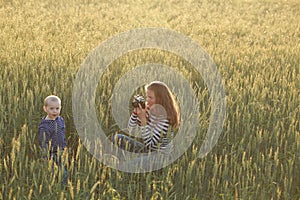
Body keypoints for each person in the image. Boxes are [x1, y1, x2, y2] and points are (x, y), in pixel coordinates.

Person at [112, 81, 180, 157]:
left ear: (160, 99)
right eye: (147, 96)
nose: (147, 100)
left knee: (129, 165)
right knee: (118, 138)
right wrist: (135, 113)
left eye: (150, 97)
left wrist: (143, 119)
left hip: (160, 156)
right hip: (147, 150)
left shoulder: (165, 120)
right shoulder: (149, 110)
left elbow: (151, 145)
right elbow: (130, 129)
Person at [38, 95, 68, 186]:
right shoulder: (45, 126)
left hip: (61, 150)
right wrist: (45, 155)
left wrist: (64, 146)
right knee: (56, 173)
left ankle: (63, 187)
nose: (55, 111)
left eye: (57, 108)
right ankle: (59, 187)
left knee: (63, 169)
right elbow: (43, 141)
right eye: (51, 108)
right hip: (51, 153)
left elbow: (62, 133)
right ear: (45, 109)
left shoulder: (60, 120)